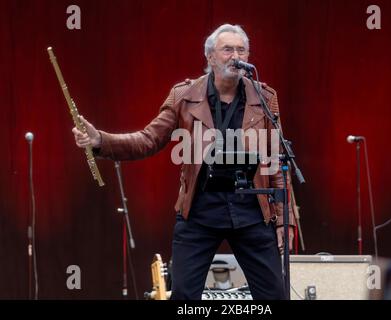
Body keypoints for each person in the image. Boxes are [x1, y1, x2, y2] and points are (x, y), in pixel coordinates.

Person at [72, 24, 296, 300]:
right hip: (200, 211)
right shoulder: (184, 96)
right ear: (210, 57)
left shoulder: (264, 97)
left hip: (251, 210)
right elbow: (148, 139)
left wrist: (286, 221)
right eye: (228, 49)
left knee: (274, 296)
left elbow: (278, 160)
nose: (235, 56)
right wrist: (100, 141)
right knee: (184, 298)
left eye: (241, 50)